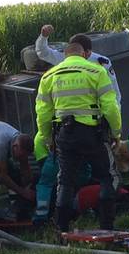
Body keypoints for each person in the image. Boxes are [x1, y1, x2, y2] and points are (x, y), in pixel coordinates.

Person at [34, 35, 122, 231]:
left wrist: (48, 138)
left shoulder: (48, 76)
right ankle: (107, 227)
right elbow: (110, 106)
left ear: (65, 55)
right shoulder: (97, 70)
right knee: (108, 177)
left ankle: (61, 229)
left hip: (64, 136)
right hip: (94, 134)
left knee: (65, 181)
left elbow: (42, 112)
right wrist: (116, 133)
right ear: (84, 54)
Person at [36, 24, 121, 106]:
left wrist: (116, 113)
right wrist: (43, 37)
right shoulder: (64, 57)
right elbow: (43, 52)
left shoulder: (101, 62)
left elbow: (114, 90)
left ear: (88, 52)